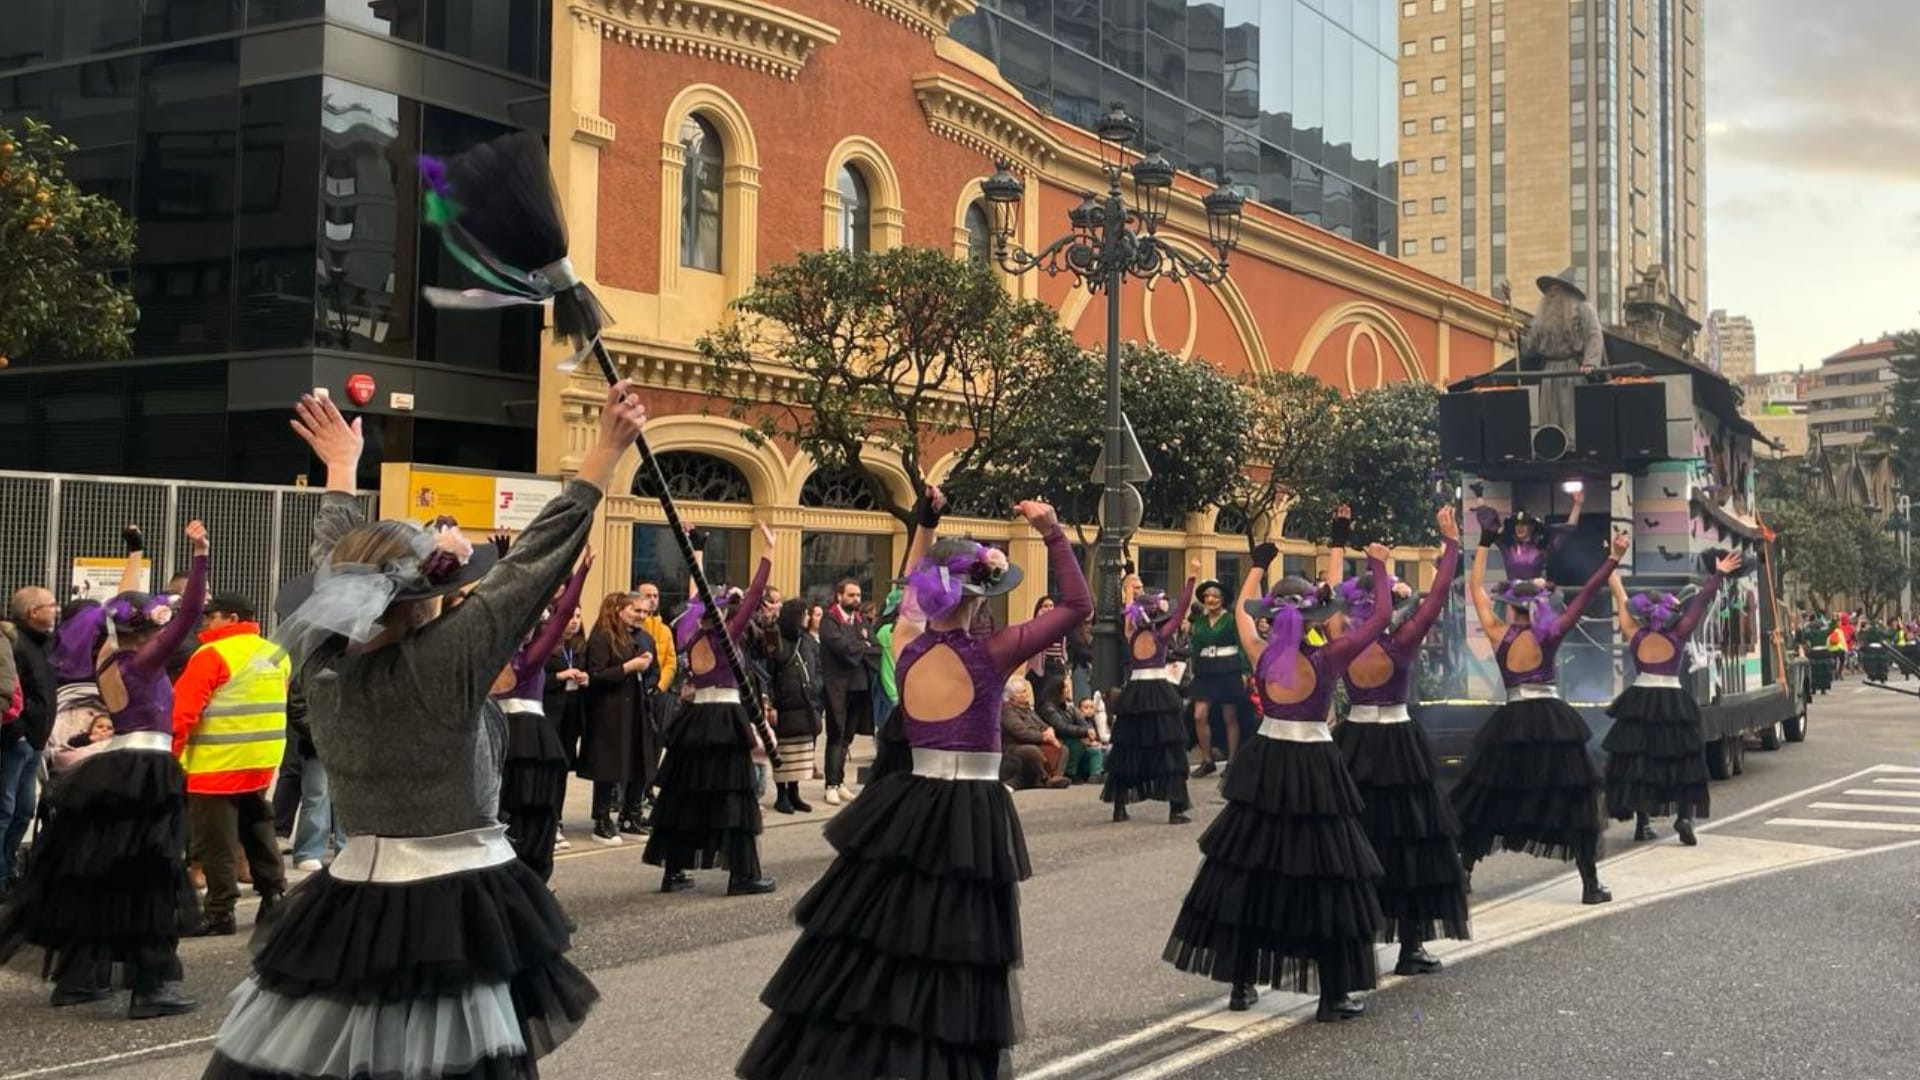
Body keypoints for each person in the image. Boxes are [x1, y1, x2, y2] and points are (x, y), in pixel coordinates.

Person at [198, 386, 634, 1079]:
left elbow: (333, 567)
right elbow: (533, 566)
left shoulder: (320, 660)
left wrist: (343, 472)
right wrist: (607, 455)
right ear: (425, 596)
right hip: (456, 895)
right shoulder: (443, 663)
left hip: (352, 892)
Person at [738, 490, 1089, 1080]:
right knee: (958, 950)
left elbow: (905, 596)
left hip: (910, 800)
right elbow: (1078, 605)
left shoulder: (904, 645)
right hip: (970, 811)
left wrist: (924, 525)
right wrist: (1053, 531)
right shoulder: (994, 651)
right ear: (979, 597)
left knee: (888, 936)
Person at [1164, 539, 1393, 1018]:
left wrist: (1257, 568)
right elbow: (1377, 619)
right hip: (1313, 764)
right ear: (1313, 618)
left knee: (1251, 868)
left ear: (1274, 615)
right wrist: (1377, 565)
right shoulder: (1328, 657)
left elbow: (1246, 615)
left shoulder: (1260, 652)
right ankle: (1331, 994)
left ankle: (1241, 984)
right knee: (1326, 875)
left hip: (1267, 761)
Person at [0, 522, 210, 1018]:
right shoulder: (144, 662)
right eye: (159, 623)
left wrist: (133, 556)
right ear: (149, 628)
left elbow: (121, 603)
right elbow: (192, 614)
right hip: (148, 772)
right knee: (151, 875)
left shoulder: (109, 654)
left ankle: (80, 977)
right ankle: (152, 984)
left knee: (101, 874)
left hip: (114, 769)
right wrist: (200, 557)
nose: (166, 629)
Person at [1451, 525, 1628, 906]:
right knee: (1572, 798)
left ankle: (1464, 872)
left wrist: (1483, 543)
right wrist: (1613, 557)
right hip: (1551, 722)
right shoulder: (1551, 634)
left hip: (1511, 722)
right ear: (1537, 606)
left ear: (1509, 605)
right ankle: (1590, 884)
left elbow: (1476, 588)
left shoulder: (1498, 632)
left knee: (1492, 795)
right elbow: (1588, 594)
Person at [1327, 507, 1470, 976]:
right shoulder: (1403, 640)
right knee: (1410, 842)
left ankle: (1358, 943)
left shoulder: (1341, 636)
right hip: (1398, 743)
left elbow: (1329, 593)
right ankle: (1410, 946)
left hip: (1354, 742)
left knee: (1354, 840)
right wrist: (1450, 543)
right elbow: (1439, 595)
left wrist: (1339, 538)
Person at [645, 522, 778, 896]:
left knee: (684, 794)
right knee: (735, 795)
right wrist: (769, 553)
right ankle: (742, 875)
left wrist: (696, 549)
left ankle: (673, 871)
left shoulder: (691, 634)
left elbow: (695, 594)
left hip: (695, 719)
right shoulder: (725, 636)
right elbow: (753, 596)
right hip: (724, 718)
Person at [172, 593, 292, 938]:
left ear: (234, 618)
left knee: (216, 841)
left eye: (213, 616)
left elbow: (183, 713)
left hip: (216, 762)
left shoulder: (211, 655)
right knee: (258, 827)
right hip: (260, 760)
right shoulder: (275, 653)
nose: (206, 622)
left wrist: (172, 756)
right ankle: (273, 894)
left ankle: (220, 911)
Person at [1604, 551, 1742, 845]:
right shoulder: (1679, 633)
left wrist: (1612, 563)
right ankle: (1684, 816)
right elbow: (1702, 600)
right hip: (1672, 697)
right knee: (1684, 759)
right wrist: (1717, 573)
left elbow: (1619, 596)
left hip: (1640, 697)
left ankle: (1642, 823)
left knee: (1641, 760)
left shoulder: (1635, 634)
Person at [492, 548, 593, 878]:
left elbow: (497, 604)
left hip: (500, 736)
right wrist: (579, 576)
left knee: (501, 815)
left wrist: (503, 564)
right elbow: (562, 615)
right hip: (528, 739)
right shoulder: (526, 657)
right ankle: (528, 885)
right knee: (532, 816)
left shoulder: (493, 655)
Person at [1102, 565, 1198, 824]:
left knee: (1128, 747)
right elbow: (1181, 612)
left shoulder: (1131, 633)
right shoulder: (1163, 635)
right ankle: (1175, 808)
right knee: (1167, 749)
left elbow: (1129, 615)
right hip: (1158, 691)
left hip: (1134, 691)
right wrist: (1190, 579)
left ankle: (1119, 807)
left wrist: (1129, 588)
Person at [581, 592, 653, 843]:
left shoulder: (642, 638)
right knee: (608, 765)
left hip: (636, 706)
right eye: (637, 611)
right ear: (621, 610)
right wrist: (630, 667)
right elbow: (596, 675)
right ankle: (602, 818)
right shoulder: (602, 636)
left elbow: (652, 671)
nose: (642, 616)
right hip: (609, 709)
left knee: (638, 760)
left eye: (646, 612)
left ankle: (630, 816)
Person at [3, 585, 58, 894]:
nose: (57, 609)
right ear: (34, 612)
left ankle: (9, 868)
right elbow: (13, 690)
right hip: (17, 741)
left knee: (23, 810)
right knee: (6, 810)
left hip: (34, 741)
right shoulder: (16, 645)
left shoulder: (42, 644)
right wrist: (20, 733)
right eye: (51, 605)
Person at [1521, 267, 1608, 435]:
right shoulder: (1541, 318)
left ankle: (1573, 446)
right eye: (1549, 289)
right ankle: (1551, 445)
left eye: (1556, 289)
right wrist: (1518, 340)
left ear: (1567, 291)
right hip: (1549, 371)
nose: (1552, 293)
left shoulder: (1583, 309)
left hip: (1572, 368)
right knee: (1549, 414)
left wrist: (1590, 362)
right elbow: (1531, 346)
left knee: (1570, 413)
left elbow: (1594, 335)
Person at [818, 577, 880, 807]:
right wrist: (861, 646)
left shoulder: (861, 621)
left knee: (847, 737)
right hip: (837, 687)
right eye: (851, 595)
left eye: (858, 595)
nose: (856, 599)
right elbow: (840, 648)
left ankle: (840, 780)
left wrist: (862, 646)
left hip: (859, 686)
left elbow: (875, 648)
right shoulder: (829, 620)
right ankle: (830, 785)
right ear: (839, 596)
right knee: (836, 734)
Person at [1185, 578, 1246, 779]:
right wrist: (1194, 670)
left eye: (1215, 596)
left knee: (1230, 716)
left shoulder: (1231, 619)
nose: (1210, 599)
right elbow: (1195, 648)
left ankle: (1232, 761)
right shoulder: (1199, 622)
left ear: (1223, 599)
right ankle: (1207, 759)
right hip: (1205, 672)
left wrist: (1245, 671)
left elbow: (1242, 645)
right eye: (1207, 596)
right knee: (1199, 715)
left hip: (1228, 669)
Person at [767, 597, 823, 814]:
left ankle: (794, 793)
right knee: (784, 752)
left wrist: (815, 688)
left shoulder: (807, 639)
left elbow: (818, 667)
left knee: (800, 752)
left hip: (805, 704)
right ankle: (782, 796)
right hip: (784, 705)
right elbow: (768, 671)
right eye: (804, 613)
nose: (807, 617)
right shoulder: (775, 637)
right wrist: (770, 702)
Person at [1470, 484, 1585, 586]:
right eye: (1517, 525)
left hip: (1535, 596)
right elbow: (1488, 524)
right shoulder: (1507, 545)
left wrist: (1577, 504)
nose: (1519, 528)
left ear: (1531, 527)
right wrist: (1479, 496)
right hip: (1512, 596)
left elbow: (1567, 529)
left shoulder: (1541, 546)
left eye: (1524, 524)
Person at [543, 605, 591, 851]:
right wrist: (560, 677)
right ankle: (547, 824)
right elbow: (534, 682)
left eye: (578, 617)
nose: (574, 622)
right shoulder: (545, 648)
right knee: (548, 773)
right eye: (570, 616)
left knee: (562, 771)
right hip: (549, 715)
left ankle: (557, 819)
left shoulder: (578, 649)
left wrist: (585, 678)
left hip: (570, 718)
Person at [1000, 677, 1070, 789]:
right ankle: (1045, 779)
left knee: (1063, 748)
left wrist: (1049, 730)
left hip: (1036, 740)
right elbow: (1020, 732)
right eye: (1021, 692)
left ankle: (1057, 777)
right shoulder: (1007, 710)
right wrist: (1043, 736)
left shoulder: (1028, 709)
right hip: (1014, 746)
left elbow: (1043, 725)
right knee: (1032, 751)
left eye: (1025, 691)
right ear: (1011, 696)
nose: (1025, 694)